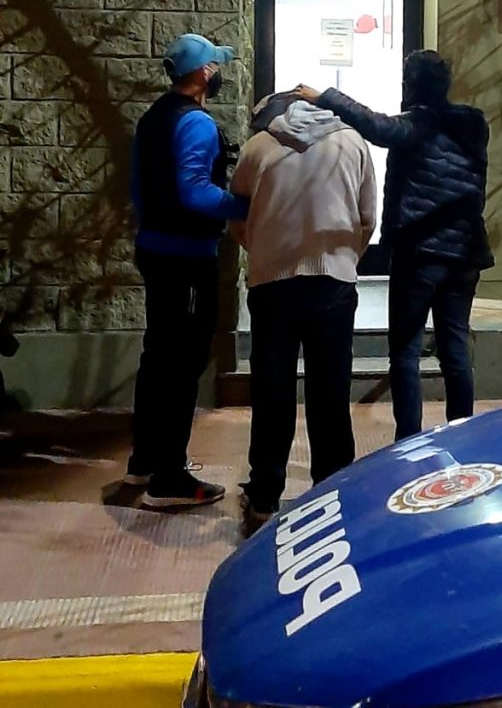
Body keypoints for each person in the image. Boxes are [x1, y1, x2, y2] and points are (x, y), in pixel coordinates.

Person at [294, 50, 493, 441]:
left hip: (420, 252)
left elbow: (378, 127)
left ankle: (408, 441)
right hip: (465, 251)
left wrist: (326, 97)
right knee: (455, 346)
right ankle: (463, 434)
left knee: (405, 350)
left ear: (411, 85)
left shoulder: (419, 125)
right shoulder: (473, 125)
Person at [229, 93, 376, 532]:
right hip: (333, 282)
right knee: (330, 392)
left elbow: (238, 217)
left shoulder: (258, 147)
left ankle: (263, 496)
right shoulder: (352, 143)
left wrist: (263, 251)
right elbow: (367, 218)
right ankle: (332, 491)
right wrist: (345, 260)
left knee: (271, 392)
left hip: (272, 283)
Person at [128, 34, 249, 510]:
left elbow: (139, 189)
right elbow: (195, 191)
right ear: (203, 73)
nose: (219, 72)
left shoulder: (153, 117)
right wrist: (245, 206)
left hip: (155, 249)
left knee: (158, 354)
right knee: (183, 362)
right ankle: (170, 478)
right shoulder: (196, 122)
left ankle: (145, 459)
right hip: (186, 258)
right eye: (216, 65)